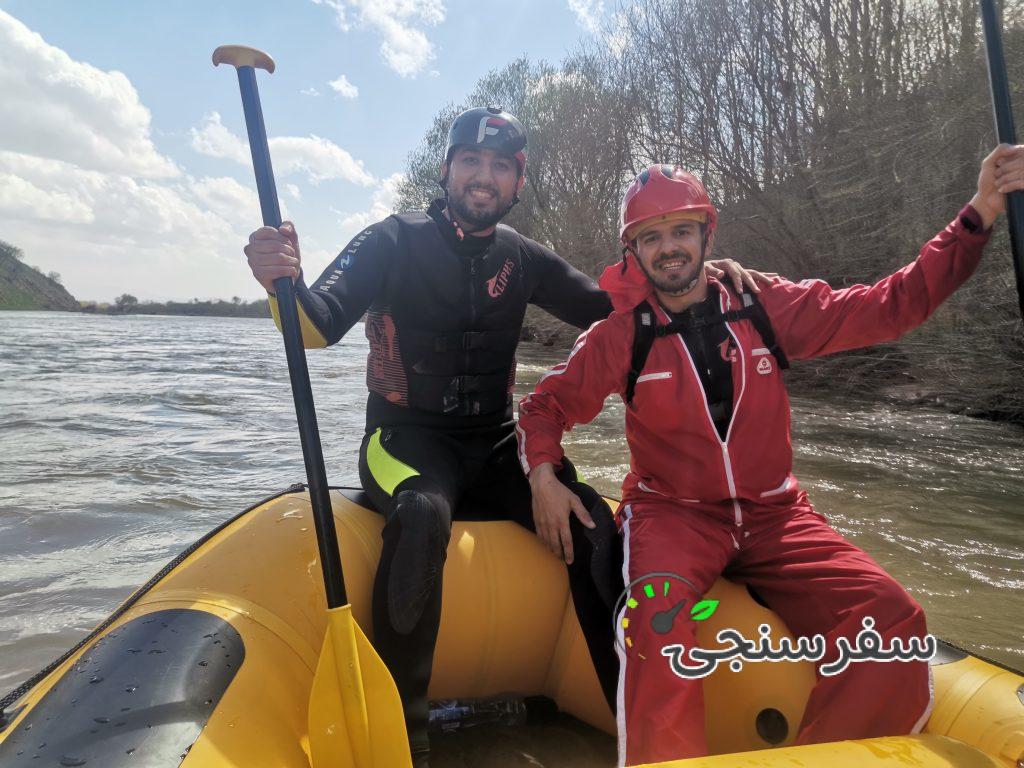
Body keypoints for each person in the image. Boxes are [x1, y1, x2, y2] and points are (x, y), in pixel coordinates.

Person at [243, 105, 764, 765]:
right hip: (404, 443)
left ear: (517, 183)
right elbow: (315, 326)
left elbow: (620, 310)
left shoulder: (521, 257)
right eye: (471, 162)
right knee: (421, 512)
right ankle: (409, 735)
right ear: (447, 170)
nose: (484, 177)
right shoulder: (391, 239)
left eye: (500, 167)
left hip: (495, 446)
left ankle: (636, 727)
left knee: (592, 528)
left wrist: (701, 275)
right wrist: (279, 279)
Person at [517, 145, 1024, 766]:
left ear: (707, 234)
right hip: (672, 515)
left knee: (892, 618)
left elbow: (894, 304)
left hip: (777, 515)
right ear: (634, 251)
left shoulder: (764, 305)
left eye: (681, 230)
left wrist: (979, 212)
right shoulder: (620, 335)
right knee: (656, 621)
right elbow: (545, 406)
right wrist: (543, 472)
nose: (669, 248)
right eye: (651, 237)